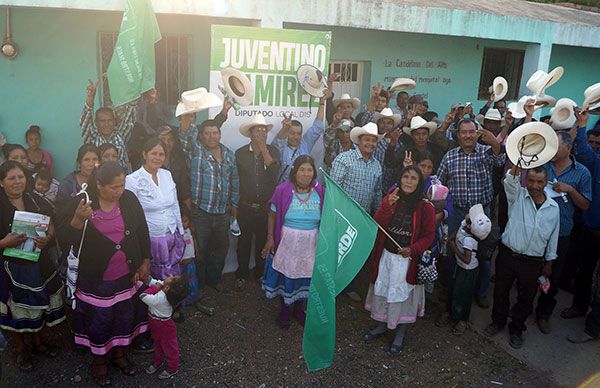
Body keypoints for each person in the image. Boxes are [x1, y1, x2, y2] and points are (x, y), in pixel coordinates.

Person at [56, 162, 151, 385]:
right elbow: (64, 238)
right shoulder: (82, 202)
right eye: (114, 187)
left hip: (126, 274)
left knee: (123, 316)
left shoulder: (129, 199)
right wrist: (78, 219)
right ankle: (99, 362)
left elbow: (142, 231)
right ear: (99, 185)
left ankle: (119, 354)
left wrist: (145, 260)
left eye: (122, 184)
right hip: (96, 277)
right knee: (99, 321)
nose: (120, 191)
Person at [0, 161, 66, 371]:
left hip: (38, 264)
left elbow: (51, 223)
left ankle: (38, 343)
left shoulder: (34, 199)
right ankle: (21, 349)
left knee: (38, 304)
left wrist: (48, 237)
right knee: (16, 308)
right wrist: (4, 243)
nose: (18, 181)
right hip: (10, 268)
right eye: (11, 178)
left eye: (21, 177)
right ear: (1, 182)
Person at [485, 165, 560, 349]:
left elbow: (553, 237)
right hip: (508, 255)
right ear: (526, 181)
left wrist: (549, 262)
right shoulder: (517, 196)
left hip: (533, 261)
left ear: (546, 182)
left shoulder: (553, 208)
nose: (535, 185)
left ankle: (517, 328)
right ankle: (498, 321)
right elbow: (510, 180)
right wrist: (518, 165)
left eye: (539, 181)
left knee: (526, 298)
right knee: (501, 291)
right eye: (531, 181)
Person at [364, 166, 436, 353]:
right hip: (387, 257)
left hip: (407, 262)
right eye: (405, 176)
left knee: (403, 296)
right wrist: (386, 206)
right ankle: (382, 324)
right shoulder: (392, 198)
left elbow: (429, 236)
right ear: (399, 179)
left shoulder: (425, 207)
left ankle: (400, 330)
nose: (408, 181)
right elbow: (378, 223)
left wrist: (412, 249)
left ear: (419, 182)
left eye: (413, 178)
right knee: (385, 290)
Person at [437, 118, 505, 308]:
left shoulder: (485, 151)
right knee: (451, 250)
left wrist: (494, 142)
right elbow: (439, 183)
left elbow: (499, 161)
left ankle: (481, 292)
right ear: (457, 135)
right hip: (457, 213)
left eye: (471, 132)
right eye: (463, 132)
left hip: (482, 212)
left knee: (484, 254)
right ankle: (447, 286)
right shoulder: (449, 156)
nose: (467, 135)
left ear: (477, 133)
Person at [535, 131, 591, 334]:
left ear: (569, 147)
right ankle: (523, 307)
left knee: (553, 275)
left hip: (562, 233)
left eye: (555, 146)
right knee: (531, 269)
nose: (550, 149)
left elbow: (585, 205)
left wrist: (570, 190)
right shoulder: (543, 164)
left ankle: (543, 313)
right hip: (537, 228)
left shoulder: (582, 172)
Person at [261, 156, 325, 329]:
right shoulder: (282, 190)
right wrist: (270, 238)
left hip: (311, 243)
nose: (305, 174)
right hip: (288, 241)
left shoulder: (321, 191)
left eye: (309, 170)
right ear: (295, 171)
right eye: (302, 170)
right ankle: (284, 309)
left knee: (305, 276)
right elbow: (272, 215)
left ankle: (299, 309)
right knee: (287, 275)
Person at [179, 119, 239, 293]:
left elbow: (234, 180)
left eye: (215, 133)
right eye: (207, 133)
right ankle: (199, 282)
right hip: (201, 212)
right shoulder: (195, 151)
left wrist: (235, 204)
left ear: (220, 134)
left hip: (223, 212)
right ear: (201, 135)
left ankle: (215, 279)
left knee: (221, 248)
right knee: (201, 249)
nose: (212, 136)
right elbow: (183, 134)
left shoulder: (229, 154)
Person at [126, 138, 184, 280]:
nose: (157, 158)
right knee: (154, 276)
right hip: (151, 238)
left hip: (171, 233)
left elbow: (175, 204)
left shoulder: (167, 174)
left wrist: (180, 231)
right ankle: (154, 302)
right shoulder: (132, 180)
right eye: (154, 153)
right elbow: (131, 214)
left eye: (161, 154)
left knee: (172, 273)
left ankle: (171, 302)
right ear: (145, 154)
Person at [560, 112, 600, 321]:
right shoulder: (595, 164)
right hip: (590, 229)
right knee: (584, 272)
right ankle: (579, 307)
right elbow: (584, 151)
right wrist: (582, 124)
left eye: (597, 143)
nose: (594, 146)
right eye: (592, 142)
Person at [235, 114, 281, 290]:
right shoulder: (240, 153)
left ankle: (260, 274)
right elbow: (235, 179)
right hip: (245, 206)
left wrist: (263, 149)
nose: (262, 133)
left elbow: (274, 172)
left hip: (265, 208)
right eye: (258, 130)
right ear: (250, 133)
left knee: (263, 242)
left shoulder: (273, 151)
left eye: (264, 130)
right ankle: (242, 274)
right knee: (243, 242)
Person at [448, 204, 492, 335]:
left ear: (470, 225)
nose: (468, 213)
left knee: (464, 295)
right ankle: (451, 312)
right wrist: (451, 237)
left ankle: (462, 319)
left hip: (468, 271)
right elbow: (458, 230)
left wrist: (453, 247)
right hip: (459, 266)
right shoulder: (465, 225)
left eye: (470, 215)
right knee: (454, 289)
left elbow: (466, 259)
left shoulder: (469, 241)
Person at [272, 89, 330, 183]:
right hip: (284, 191)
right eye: (292, 133)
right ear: (287, 133)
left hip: (302, 191)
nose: (296, 137)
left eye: (299, 134)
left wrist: (322, 103)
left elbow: (317, 126)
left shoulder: (305, 143)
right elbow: (278, 142)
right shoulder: (282, 148)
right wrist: (285, 128)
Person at [80, 79, 136, 172]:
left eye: (110, 120)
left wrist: (133, 89)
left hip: (120, 179)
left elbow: (129, 118)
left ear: (114, 122)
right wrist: (90, 98)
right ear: (96, 122)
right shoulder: (92, 137)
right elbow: (86, 121)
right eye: (102, 121)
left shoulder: (121, 135)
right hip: (98, 179)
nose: (106, 124)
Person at [140, 275, 188, 379]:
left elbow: (143, 296)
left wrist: (154, 288)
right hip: (157, 324)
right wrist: (148, 279)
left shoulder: (160, 299)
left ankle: (172, 368)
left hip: (164, 326)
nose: (170, 275)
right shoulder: (168, 292)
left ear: (167, 288)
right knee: (158, 344)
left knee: (169, 348)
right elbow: (155, 282)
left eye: (172, 277)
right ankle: (158, 362)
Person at [128, 88, 172, 170]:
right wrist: (144, 125)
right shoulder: (143, 105)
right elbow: (138, 117)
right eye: (151, 91)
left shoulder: (161, 104)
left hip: (159, 131)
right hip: (147, 133)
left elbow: (169, 115)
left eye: (154, 91)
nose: (153, 93)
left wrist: (163, 122)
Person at [157, 126, 191, 209]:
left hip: (176, 208)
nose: (167, 143)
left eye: (170, 140)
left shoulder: (179, 162)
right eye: (163, 139)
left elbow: (184, 192)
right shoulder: (149, 163)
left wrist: (189, 214)